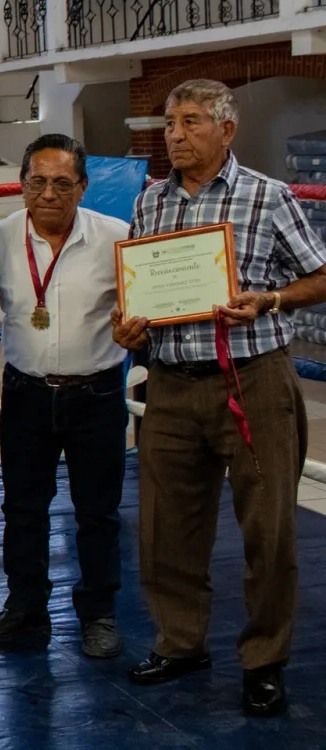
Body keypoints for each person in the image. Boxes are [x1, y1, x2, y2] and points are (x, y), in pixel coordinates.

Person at [112, 79, 326, 717]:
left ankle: (265, 660)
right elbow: (141, 290)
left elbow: (320, 274)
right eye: (169, 122)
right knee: (165, 527)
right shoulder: (151, 203)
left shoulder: (269, 196)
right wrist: (131, 325)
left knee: (268, 528)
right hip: (172, 382)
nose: (174, 134)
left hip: (253, 379)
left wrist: (273, 299)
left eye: (190, 121)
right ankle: (181, 643)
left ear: (226, 130)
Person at [0, 134, 128, 660]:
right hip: (26, 394)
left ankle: (99, 613)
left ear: (82, 187)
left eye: (62, 183)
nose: (48, 193)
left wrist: (139, 332)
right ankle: (25, 607)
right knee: (22, 509)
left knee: (99, 513)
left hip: (98, 393)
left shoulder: (118, 238)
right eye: (37, 181)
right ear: (21, 185)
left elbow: (143, 312)